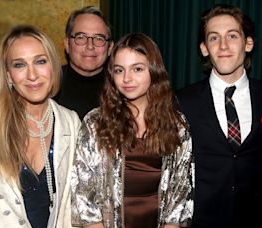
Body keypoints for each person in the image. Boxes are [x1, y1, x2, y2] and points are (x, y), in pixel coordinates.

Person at [177, 4, 262, 228]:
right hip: (200, 221)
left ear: (248, 43)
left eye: (232, 36)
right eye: (214, 38)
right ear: (204, 48)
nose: (223, 45)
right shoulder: (182, 101)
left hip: (256, 220)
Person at [71, 33, 194, 228]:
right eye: (119, 70)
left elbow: (179, 200)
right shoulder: (95, 122)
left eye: (137, 69)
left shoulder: (176, 125)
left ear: (154, 71)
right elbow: (85, 198)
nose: (127, 78)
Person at [0, 25, 80, 227]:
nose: (32, 75)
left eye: (40, 61)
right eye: (19, 65)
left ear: (52, 66)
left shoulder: (70, 123)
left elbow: (75, 204)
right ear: (9, 75)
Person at [55, 6, 114, 119]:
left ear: (110, 48)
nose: (90, 46)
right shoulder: (48, 86)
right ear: (67, 44)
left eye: (99, 38)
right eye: (81, 37)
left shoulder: (123, 88)